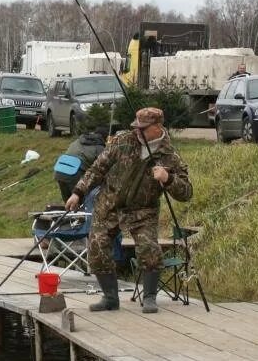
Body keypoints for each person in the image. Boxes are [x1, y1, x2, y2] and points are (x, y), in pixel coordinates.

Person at [65, 107, 192, 314]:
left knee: (149, 249)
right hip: (110, 203)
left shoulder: (169, 156)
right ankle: (110, 297)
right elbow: (98, 168)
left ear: (158, 127)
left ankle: (150, 297)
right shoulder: (123, 141)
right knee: (97, 246)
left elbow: (186, 193)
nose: (138, 132)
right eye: (136, 127)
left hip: (143, 210)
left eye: (143, 129)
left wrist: (168, 179)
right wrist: (78, 192)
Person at [54, 126, 108, 201]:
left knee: (68, 204)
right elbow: (101, 170)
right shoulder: (100, 148)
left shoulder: (78, 140)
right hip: (74, 174)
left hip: (59, 171)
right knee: (79, 204)